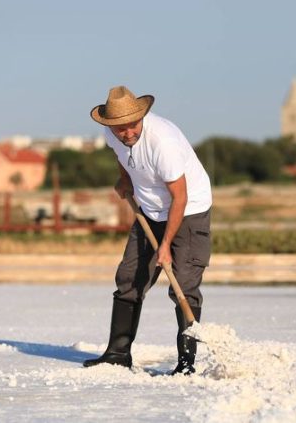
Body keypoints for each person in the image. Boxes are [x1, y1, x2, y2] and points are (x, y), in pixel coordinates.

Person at [83, 85, 212, 375]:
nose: (127, 132)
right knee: (129, 278)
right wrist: (125, 180)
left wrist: (165, 244)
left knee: (184, 283)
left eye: (132, 125)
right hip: (150, 210)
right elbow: (121, 157)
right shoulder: (112, 133)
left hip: (188, 210)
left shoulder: (162, 142)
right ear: (110, 124)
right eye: (120, 128)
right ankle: (117, 353)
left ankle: (186, 363)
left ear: (141, 116)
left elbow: (180, 196)